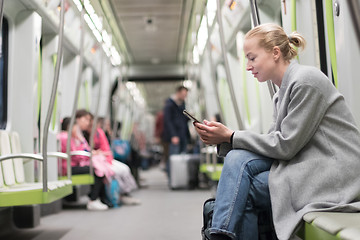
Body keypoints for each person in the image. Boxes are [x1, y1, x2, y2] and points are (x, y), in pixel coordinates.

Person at [194, 23, 360, 240]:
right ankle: (220, 234)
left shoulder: (306, 81)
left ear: (275, 53)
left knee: (246, 192)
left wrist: (231, 136)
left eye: (252, 58)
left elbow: (285, 146)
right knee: (236, 157)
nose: (247, 66)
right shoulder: (281, 94)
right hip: (307, 166)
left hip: (333, 175)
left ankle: (220, 234)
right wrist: (228, 140)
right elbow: (273, 145)